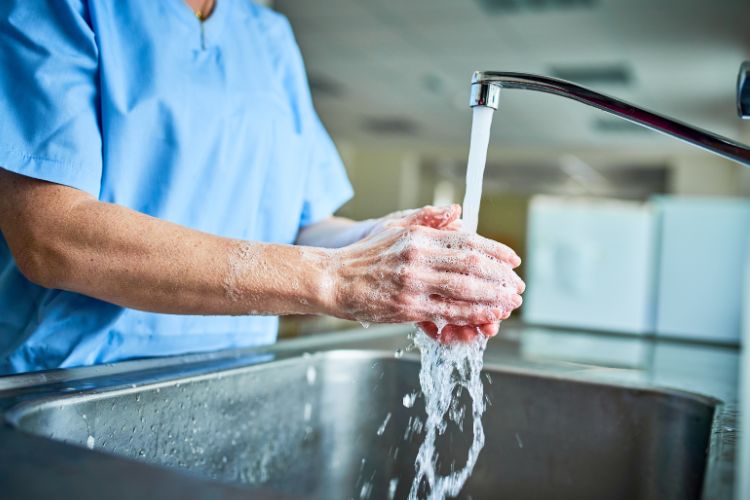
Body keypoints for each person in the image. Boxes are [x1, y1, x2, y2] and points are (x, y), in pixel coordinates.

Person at [0, 0, 524, 374]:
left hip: (233, 374)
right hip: (71, 381)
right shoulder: (60, 7)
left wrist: (386, 245)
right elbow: (51, 235)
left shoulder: (267, 36)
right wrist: (338, 280)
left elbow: (304, 224)